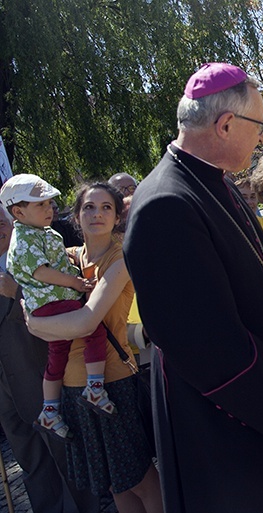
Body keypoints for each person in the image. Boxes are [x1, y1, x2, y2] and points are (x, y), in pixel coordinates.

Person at [122, 62, 263, 513]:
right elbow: (201, 340)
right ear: (225, 124)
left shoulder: (213, 181)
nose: (262, 138)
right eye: (258, 126)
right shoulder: (166, 204)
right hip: (230, 421)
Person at [24, 182, 162, 512]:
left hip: (112, 383)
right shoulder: (67, 259)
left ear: (117, 218)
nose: (96, 214)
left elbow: (86, 322)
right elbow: (21, 277)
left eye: (105, 208)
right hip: (72, 390)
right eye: (88, 207)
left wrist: (35, 323)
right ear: (75, 215)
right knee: (113, 482)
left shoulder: (122, 259)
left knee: (141, 479)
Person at [0, 174, 115, 443]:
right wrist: (76, 281)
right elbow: (43, 272)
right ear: (18, 211)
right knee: (93, 332)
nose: (50, 208)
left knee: (57, 357)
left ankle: (50, 410)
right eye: (41, 204)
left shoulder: (42, 232)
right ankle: (95, 387)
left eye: (50, 203)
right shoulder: (25, 238)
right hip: (55, 301)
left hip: (51, 304)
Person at [0, 206, 100, 513]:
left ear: (12, 220)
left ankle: (92, 506)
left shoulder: (35, 253)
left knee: (63, 451)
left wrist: (18, 293)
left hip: (41, 375)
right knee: (30, 460)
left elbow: (65, 302)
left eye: (0, 222)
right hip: (5, 390)